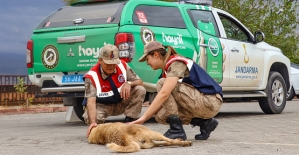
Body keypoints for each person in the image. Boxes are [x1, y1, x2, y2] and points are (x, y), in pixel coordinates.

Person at [128, 41, 223, 140]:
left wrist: (143, 118)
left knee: (162, 83)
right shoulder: (167, 70)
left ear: (156, 55)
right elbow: (164, 101)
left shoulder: (176, 63)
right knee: (160, 115)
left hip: (210, 100)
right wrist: (146, 117)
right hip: (201, 102)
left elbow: (164, 94)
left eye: (147, 59)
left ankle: (177, 130)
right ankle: (205, 123)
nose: (147, 63)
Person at [83, 44, 146, 137]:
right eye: (108, 63)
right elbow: (91, 102)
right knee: (95, 126)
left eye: (114, 63)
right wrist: (93, 122)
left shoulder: (123, 65)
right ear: (99, 60)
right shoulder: (91, 76)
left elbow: (140, 82)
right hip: (101, 106)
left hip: (120, 102)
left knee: (140, 89)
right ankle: (96, 125)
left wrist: (128, 83)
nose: (111, 66)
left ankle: (130, 122)